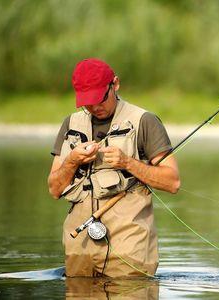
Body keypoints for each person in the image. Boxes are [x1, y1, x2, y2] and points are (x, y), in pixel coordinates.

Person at [47, 58, 180, 278]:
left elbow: (173, 182)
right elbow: (54, 190)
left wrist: (127, 162)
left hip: (130, 249)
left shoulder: (144, 121)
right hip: (79, 247)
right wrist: (71, 160)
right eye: (87, 102)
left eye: (100, 99)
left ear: (115, 84)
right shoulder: (70, 124)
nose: (95, 107)